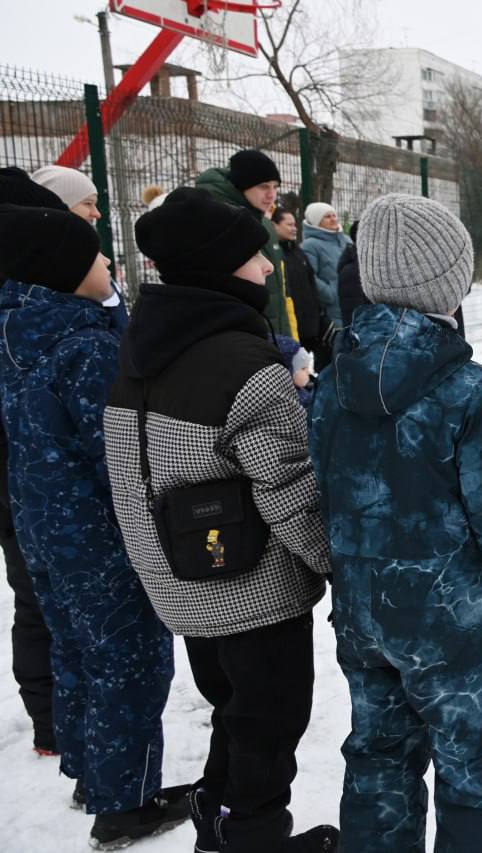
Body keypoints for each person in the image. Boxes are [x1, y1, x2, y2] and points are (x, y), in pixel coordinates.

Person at [310, 194, 482, 852]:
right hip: (457, 628)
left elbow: (324, 491)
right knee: (473, 770)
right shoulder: (469, 391)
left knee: (378, 759)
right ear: (446, 281)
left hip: (366, 617)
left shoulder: (334, 381)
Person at [104, 188, 339, 853]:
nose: (267, 269)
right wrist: (339, 561)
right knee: (270, 721)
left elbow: (127, 471)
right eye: (251, 257)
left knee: (233, 710)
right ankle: (258, 836)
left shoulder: (140, 353)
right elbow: (293, 494)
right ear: (217, 268)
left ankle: (217, 816)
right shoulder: (247, 368)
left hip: (181, 580)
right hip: (254, 590)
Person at [0, 204, 185, 848]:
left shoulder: (16, 335)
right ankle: (126, 804)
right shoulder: (85, 347)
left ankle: (91, 774)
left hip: (42, 529)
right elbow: (121, 455)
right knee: (131, 663)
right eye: (93, 254)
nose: (108, 263)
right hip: (103, 537)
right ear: (59, 271)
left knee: (77, 652)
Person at [0, 167, 64, 760]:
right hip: (25, 480)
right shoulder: (27, 314)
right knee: (37, 597)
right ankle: (49, 720)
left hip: (25, 476)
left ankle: (52, 718)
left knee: (35, 595)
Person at [196, 149, 297, 340]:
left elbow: (280, 291)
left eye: (275, 187)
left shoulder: (265, 224)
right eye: (263, 187)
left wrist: (289, 341)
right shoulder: (218, 221)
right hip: (241, 340)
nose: (272, 195)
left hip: (276, 338)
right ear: (242, 186)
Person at [32, 164, 129, 326]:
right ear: (61, 205)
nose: (97, 213)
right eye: (88, 203)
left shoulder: (79, 251)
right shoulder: (50, 264)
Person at [273, 208, 332, 369]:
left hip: (310, 326)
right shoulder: (275, 254)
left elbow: (311, 285)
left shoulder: (297, 252)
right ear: (274, 226)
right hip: (291, 326)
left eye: (295, 224)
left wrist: (319, 314)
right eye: (289, 224)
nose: (294, 228)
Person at [300, 202, 350, 337]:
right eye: (327, 217)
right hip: (331, 311)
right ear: (316, 221)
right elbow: (308, 276)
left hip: (352, 304)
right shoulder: (310, 245)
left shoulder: (347, 240)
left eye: (334, 215)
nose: (333, 219)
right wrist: (330, 293)